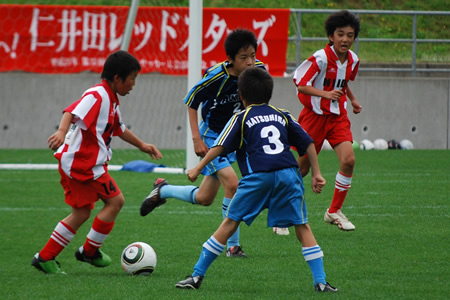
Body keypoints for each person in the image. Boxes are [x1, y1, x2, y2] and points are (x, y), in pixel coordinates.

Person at [175, 67, 337, 292]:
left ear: (241, 95)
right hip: (289, 175)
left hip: (258, 176)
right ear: (269, 94)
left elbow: (219, 146)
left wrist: (198, 167)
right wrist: (317, 173)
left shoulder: (240, 117)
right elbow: (308, 143)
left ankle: (196, 276)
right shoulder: (282, 114)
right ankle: (321, 282)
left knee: (230, 223)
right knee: (302, 226)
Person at [140, 28, 277, 259]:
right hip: (212, 137)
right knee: (232, 184)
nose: (250, 62)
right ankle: (232, 246)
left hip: (235, 137)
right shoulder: (216, 77)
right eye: (243, 58)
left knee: (204, 198)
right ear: (230, 59)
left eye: (253, 55)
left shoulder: (258, 71)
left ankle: (163, 189)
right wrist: (196, 138)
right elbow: (192, 102)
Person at [31, 50, 163, 274]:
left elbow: (119, 128)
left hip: (80, 163)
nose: (133, 84)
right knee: (116, 201)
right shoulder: (97, 95)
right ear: (117, 78)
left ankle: (45, 257)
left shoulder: (112, 99)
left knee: (81, 213)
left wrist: (142, 145)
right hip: (83, 165)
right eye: (132, 78)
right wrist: (62, 132)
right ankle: (90, 251)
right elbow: (71, 112)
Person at [292, 10, 362, 231]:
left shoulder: (353, 60)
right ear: (331, 36)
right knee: (300, 170)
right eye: (340, 34)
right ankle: (281, 208)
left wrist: (352, 100)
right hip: (314, 117)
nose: (345, 39)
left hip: (337, 117)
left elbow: (343, 82)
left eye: (350, 35)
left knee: (349, 160)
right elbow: (301, 84)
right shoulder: (321, 58)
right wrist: (325, 94)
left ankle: (333, 212)